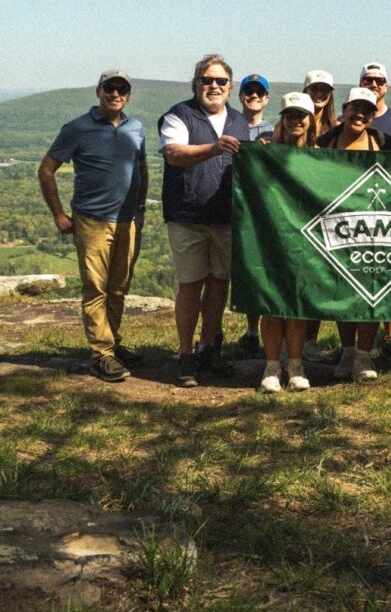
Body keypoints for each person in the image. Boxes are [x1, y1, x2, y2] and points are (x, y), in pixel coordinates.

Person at [38, 69, 148, 382]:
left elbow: (141, 169)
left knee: (118, 288)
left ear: (128, 95)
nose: (116, 94)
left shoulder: (136, 128)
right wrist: (59, 214)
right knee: (96, 289)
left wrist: (140, 209)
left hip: (127, 221)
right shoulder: (77, 128)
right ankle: (101, 355)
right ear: (97, 91)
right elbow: (46, 170)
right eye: (109, 88)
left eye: (122, 90)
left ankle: (111, 345)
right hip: (92, 221)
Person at [159, 54, 250, 387]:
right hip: (188, 216)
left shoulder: (240, 122)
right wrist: (212, 149)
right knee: (190, 285)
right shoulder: (179, 115)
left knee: (218, 285)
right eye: (208, 80)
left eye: (221, 81)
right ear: (196, 84)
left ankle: (208, 348)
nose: (214, 86)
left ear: (230, 87)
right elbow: (173, 153)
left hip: (226, 217)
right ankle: (185, 354)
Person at [318, 87, 385, 382]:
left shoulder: (383, 142)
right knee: (342, 290)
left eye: (367, 111)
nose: (360, 115)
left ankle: (364, 355)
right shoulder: (324, 142)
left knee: (370, 289)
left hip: (372, 226)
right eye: (355, 108)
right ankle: (347, 352)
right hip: (333, 225)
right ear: (344, 110)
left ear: (373, 116)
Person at [259, 92, 317, 392]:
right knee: (272, 299)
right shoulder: (266, 152)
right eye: (290, 115)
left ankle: (295, 364)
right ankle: (271, 366)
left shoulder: (321, 155)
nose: (296, 121)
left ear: (311, 121)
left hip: (307, 237)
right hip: (272, 233)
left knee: (296, 301)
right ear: (283, 119)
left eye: (301, 116)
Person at [359, 62, 391, 356]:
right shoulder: (349, 117)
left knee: (389, 267)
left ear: (387, 85)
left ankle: (390, 335)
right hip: (356, 204)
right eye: (368, 80)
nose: (374, 85)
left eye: (379, 80)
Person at [236, 73, 276, 358]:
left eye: (259, 93)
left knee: (258, 269)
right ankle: (216, 334)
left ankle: (256, 332)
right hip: (231, 204)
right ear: (241, 96)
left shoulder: (275, 132)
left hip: (261, 209)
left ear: (267, 98)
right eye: (248, 92)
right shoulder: (228, 126)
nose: (254, 96)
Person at [301, 70, 338, 363]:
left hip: (327, 211)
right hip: (297, 209)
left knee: (322, 277)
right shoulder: (290, 123)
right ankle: (298, 339)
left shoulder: (336, 128)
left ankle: (311, 339)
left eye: (324, 89)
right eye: (314, 88)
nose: (319, 94)